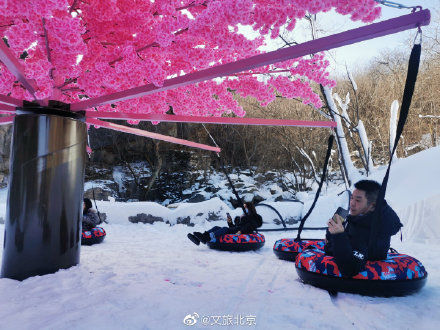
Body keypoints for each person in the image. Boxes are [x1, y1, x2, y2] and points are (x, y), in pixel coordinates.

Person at [324, 180, 402, 277]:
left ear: (373, 205)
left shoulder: (370, 228)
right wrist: (332, 233)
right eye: (352, 198)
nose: (351, 203)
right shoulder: (363, 217)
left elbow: (349, 269)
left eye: (358, 200)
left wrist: (338, 235)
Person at [187, 202, 263, 246]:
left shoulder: (255, 217)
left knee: (225, 229)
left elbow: (251, 225)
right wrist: (230, 222)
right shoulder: (241, 217)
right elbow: (235, 227)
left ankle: (207, 238)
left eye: (245, 207)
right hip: (237, 230)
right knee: (217, 227)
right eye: (243, 207)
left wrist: (241, 231)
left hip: (244, 232)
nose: (244, 209)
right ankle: (199, 238)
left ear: (249, 208)